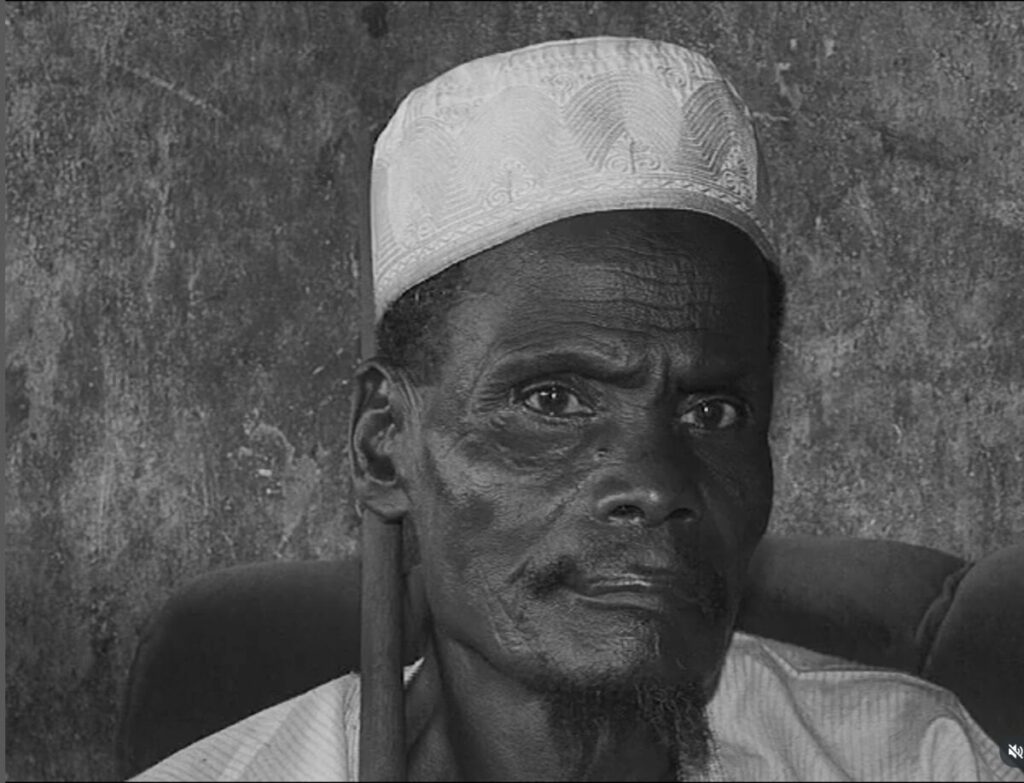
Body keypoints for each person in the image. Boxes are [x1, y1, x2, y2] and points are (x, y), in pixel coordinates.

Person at [132, 37, 1020, 781]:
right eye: (553, 399)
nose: (653, 483)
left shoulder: (916, 760)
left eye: (712, 412)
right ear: (382, 445)